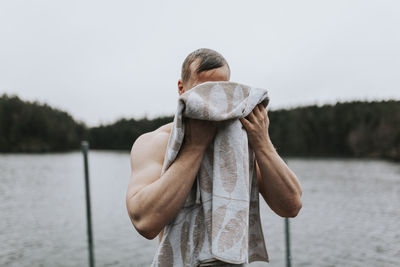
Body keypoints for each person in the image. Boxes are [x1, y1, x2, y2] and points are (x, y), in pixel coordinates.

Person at [125, 48, 303, 245]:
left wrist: (262, 144)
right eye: (204, 90)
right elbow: (144, 222)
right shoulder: (156, 142)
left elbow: (291, 206)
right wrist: (195, 148)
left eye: (222, 90)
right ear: (181, 88)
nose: (213, 100)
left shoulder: (242, 142)